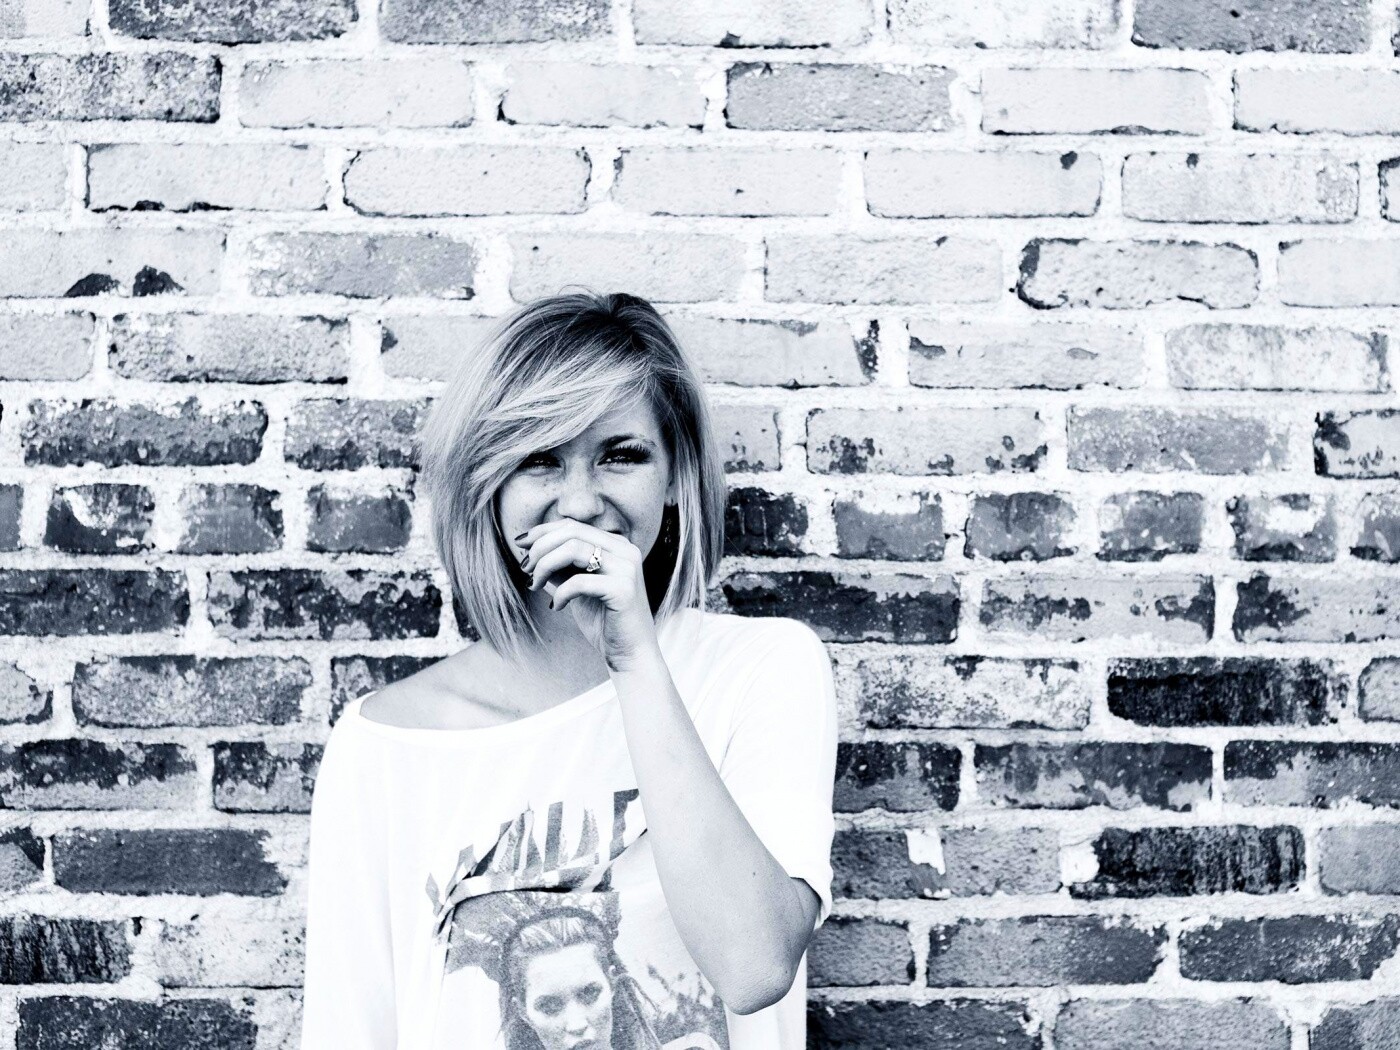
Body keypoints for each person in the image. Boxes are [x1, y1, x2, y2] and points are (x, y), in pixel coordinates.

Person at [300, 291, 839, 1049]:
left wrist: (633, 657)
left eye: (621, 454)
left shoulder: (761, 672)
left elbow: (754, 968)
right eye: (539, 458)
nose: (581, 502)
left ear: (675, 475)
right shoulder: (384, 746)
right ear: (487, 483)